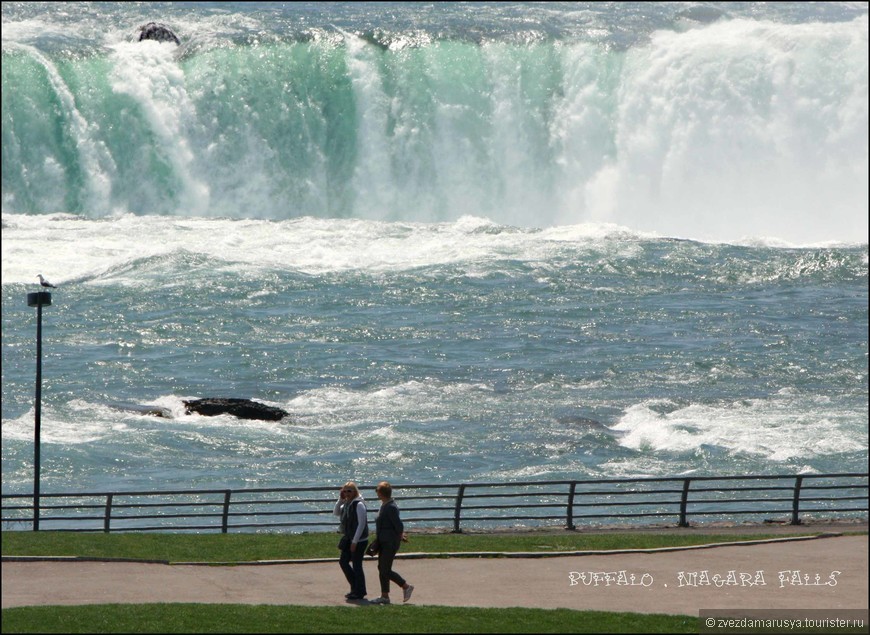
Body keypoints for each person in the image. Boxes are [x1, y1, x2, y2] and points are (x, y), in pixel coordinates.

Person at [367, 481, 414, 604]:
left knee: (385, 569)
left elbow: (399, 525)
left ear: (381, 493)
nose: (376, 492)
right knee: (381, 567)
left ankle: (406, 586)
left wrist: (399, 535)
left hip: (389, 543)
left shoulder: (391, 507)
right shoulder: (385, 505)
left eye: (377, 490)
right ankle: (384, 596)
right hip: (383, 541)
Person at [333, 481, 369, 601]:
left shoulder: (359, 504)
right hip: (349, 538)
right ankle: (355, 588)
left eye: (350, 491)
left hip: (359, 540)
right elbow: (336, 512)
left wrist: (355, 541)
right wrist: (340, 499)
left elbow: (361, 524)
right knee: (343, 562)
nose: (347, 493)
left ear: (355, 491)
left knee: (357, 565)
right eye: (345, 491)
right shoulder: (346, 504)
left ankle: (360, 591)